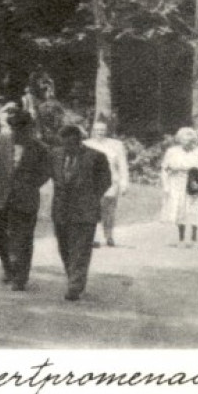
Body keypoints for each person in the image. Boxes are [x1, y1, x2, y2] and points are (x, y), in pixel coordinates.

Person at [0, 109, 51, 291]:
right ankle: (8, 266)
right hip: (0, 197)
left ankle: (20, 277)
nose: (17, 132)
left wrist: (31, 184)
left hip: (25, 199)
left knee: (23, 239)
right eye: (14, 128)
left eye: (21, 128)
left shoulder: (40, 147)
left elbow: (46, 172)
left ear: (29, 128)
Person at [50, 124, 113, 301]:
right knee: (65, 249)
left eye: (71, 144)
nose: (67, 148)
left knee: (81, 249)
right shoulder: (55, 155)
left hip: (85, 211)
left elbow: (105, 181)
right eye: (64, 144)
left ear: (79, 141)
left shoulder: (96, 157)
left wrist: (91, 197)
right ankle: (74, 278)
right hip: (61, 210)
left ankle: (75, 286)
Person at [84, 117, 130, 247]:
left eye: (102, 130)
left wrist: (124, 183)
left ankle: (109, 235)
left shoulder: (116, 145)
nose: (100, 132)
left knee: (109, 210)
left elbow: (122, 165)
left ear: (106, 131)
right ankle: (93, 237)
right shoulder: (86, 144)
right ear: (93, 131)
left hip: (111, 181)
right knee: (92, 209)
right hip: (91, 182)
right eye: (97, 130)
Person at [160, 127, 198, 247]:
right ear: (179, 140)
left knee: (194, 210)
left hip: (194, 182)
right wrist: (166, 185)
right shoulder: (172, 151)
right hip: (176, 182)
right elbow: (165, 168)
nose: (188, 143)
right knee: (180, 210)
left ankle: (194, 239)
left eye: (191, 140)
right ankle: (181, 239)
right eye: (184, 140)